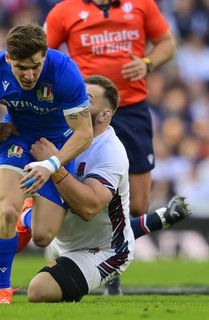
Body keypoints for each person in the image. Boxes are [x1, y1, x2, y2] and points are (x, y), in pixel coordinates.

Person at [0, 75, 191, 302]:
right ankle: (158, 218)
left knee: (39, 290)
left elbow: (88, 208)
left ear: (105, 115)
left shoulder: (110, 152)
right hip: (61, 237)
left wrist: (54, 166)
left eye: (87, 99)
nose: (77, 101)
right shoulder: (56, 129)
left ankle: (28, 218)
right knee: (29, 237)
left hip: (102, 249)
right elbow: (5, 177)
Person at [0, 22, 93, 304]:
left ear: (45, 54)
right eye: (21, 67)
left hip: (56, 145)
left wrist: (50, 163)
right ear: (8, 58)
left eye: (36, 65)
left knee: (44, 237)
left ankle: (29, 214)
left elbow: (84, 133)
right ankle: (1, 290)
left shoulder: (65, 71)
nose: (29, 74)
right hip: (16, 137)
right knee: (7, 210)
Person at [43, 0, 176, 294]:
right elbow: (42, 55)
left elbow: (167, 43)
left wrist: (147, 63)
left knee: (139, 204)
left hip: (131, 108)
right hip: (80, 112)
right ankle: (106, 262)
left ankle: (136, 230)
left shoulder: (142, 5)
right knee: (82, 187)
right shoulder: (65, 10)